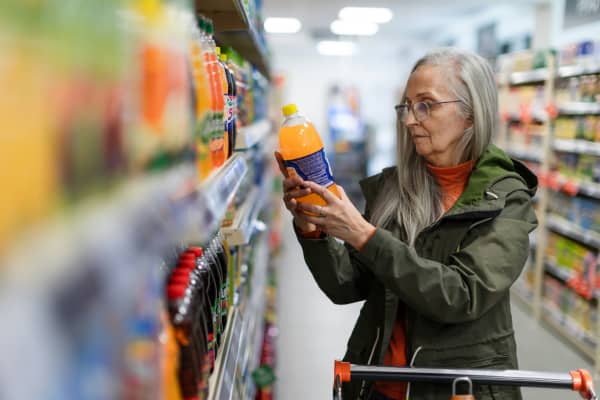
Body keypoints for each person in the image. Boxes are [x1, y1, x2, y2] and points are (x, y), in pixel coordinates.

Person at [276, 47, 538, 400]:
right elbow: (346, 285)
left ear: (471, 114)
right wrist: (312, 225)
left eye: (426, 105)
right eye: (407, 106)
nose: (410, 119)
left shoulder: (507, 198)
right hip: (379, 384)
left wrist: (365, 236)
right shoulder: (393, 189)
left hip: (456, 391)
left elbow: (461, 295)